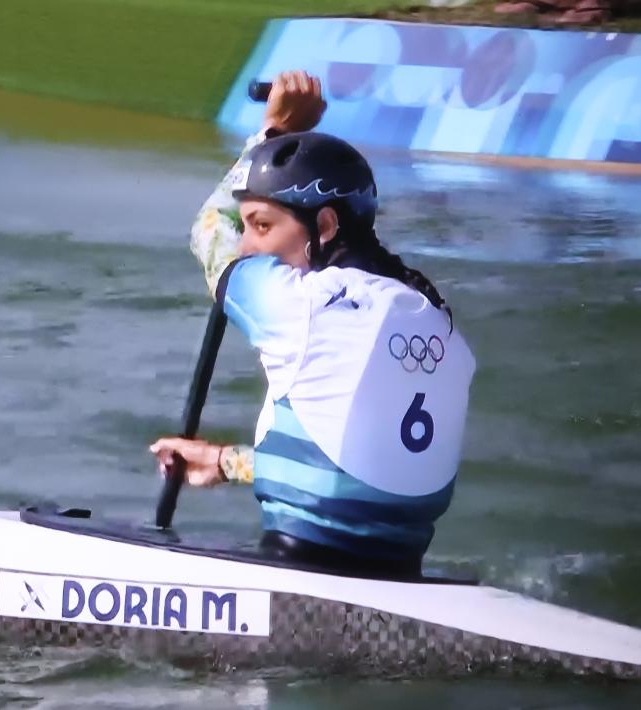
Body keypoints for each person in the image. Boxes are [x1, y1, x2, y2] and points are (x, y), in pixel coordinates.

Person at [149, 71, 475, 577]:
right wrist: (222, 461)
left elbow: (209, 230)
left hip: (301, 569)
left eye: (260, 224)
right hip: (404, 579)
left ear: (324, 226)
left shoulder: (301, 303)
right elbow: (352, 473)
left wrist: (273, 132)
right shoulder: (438, 325)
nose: (247, 246)